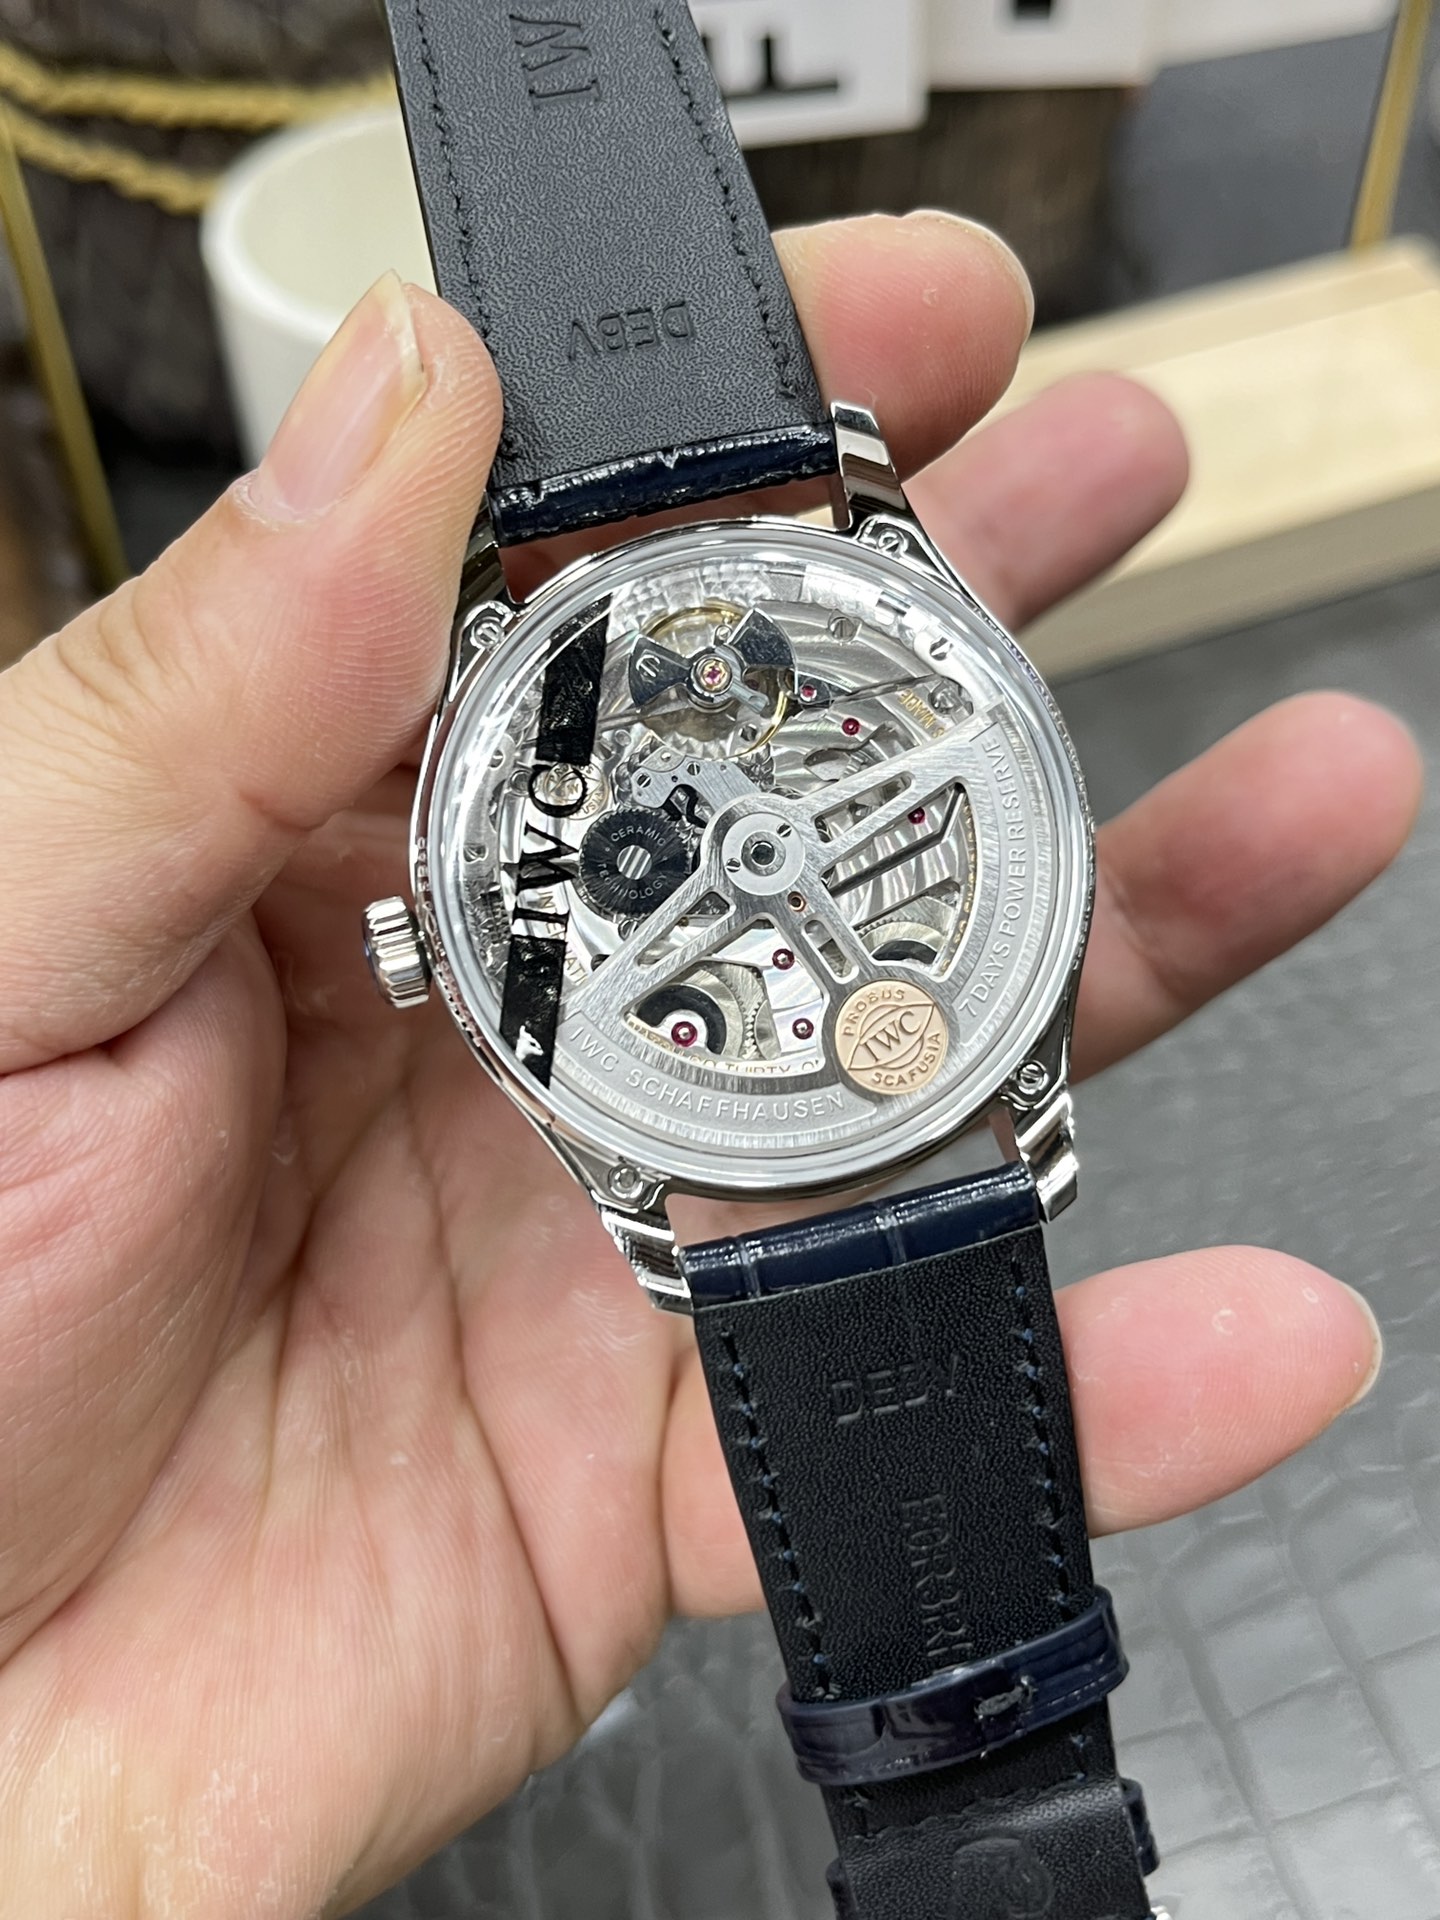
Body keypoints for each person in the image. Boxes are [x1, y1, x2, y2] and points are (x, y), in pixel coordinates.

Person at [0, 213, 1419, 1915]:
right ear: (425, 941)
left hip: (867, 995)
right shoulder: (546, 846)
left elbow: (964, 750)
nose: (755, 857)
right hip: (778, 1019)